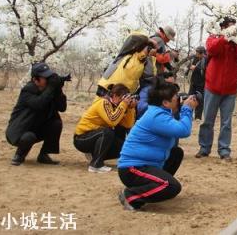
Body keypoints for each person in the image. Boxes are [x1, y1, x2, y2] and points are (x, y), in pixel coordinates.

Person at [117, 80, 198, 211]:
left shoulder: (160, 112)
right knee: (172, 187)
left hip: (145, 165)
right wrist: (187, 110)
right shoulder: (156, 116)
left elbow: (176, 127)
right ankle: (130, 196)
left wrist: (181, 109)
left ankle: (154, 186)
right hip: (132, 169)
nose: (178, 99)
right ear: (165, 103)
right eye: (175, 97)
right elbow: (183, 131)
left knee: (176, 153)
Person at [196, 17, 237, 160]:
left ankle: (224, 150)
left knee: (226, 122)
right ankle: (204, 148)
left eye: (234, 26)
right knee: (208, 119)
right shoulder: (214, 37)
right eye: (230, 26)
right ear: (223, 27)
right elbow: (212, 49)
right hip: (212, 86)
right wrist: (224, 38)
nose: (233, 29)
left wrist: (236, 41)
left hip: (230, 89)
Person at [6, 62, 67, 166]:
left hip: (36, 127)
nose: (48, 80)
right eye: (45, 78)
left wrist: (58, 90)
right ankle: (19, 156)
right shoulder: (27, 90)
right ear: (35, 80)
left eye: (49, 77)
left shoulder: (49, 91)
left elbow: (62, 108)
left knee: (56, 123)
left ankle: (44, 155)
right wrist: (51, 88)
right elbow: (39, 104)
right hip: (20, 131)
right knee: (29, 137)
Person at [73, 84, 136, 173]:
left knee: (123, 148)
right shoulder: (103, 102)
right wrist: (123, 104)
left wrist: (130, 108)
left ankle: (94, 155)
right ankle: (95, 165)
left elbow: (127, 125)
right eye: (123, 97)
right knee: (107, 132)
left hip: (94, 135)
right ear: (114, 95)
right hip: (81, 138)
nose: (124, 100)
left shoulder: (117, 106)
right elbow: (112, 120)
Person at [186, 46, 207, 120]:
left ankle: (198, 117)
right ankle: (188, 115)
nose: (196, 54)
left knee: (199, 99)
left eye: (197, 52)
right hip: (193, 82)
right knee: (189, 98)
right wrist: (190, 67)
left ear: (202, 53)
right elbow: (191, 66)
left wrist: (196, 68)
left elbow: (205, 71)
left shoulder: (206, 60)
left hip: (201, 83)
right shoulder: (195, 58)